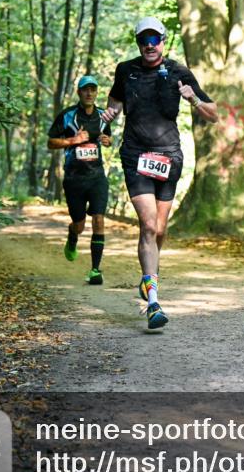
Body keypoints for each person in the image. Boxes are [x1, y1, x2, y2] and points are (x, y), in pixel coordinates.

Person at [101, 17, 218, 329]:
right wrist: (108, 118)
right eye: (144, 40)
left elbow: (214, 114)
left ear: (163, 42)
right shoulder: (126, 70)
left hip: (168, 157)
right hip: (135, 154)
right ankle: (153, 300)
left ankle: (149, 279)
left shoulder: (178, 72)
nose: (149, 46)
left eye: (155, 40)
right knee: (149, 225)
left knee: (161, 230)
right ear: (138, 43)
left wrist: (192, 98)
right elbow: (111, 107)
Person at [47, 75, 113, 285]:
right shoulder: (67, 116)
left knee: (99, 219)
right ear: (79, 92)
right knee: (80, 224)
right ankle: (72, 236)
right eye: (85, 90)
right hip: (74, 178)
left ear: (96, 92)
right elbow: (50, 142)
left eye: (93, 90)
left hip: (97, 176)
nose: (89, 93)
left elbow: (107, 138)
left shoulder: (103, 116)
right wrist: (72, 140)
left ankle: (95, 270)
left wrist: (107, 140)